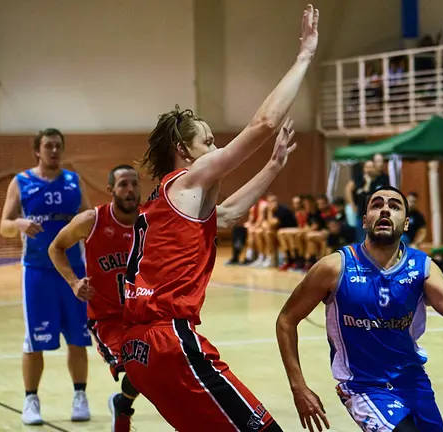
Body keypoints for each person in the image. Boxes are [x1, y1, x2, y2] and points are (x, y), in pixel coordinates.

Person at [120, 6, 319, 431]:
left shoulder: (164, 199)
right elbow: (264, 123)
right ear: (184, 149)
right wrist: (304, 55)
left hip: (138, 349)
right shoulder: (191, 178)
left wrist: (273, 168)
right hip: (169, 338)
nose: (217, 148)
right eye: (208, 142)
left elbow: (226, 216)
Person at [276, 186, 443, 432]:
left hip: (414, 382)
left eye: (394, 206)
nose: (385, 208)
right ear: (365, 220)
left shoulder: (422, 267)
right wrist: (298, 386)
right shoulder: (334, 267)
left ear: (406, 223)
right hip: (365, 388)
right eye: (376, 204)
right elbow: (286, 320)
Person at [0, 128, 93, 425]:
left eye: (57, 146)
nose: (53, 151)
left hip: (74, 271)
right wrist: (20, 224)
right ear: (37, 151)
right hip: (38, 272)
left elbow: (91, 218)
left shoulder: (73, 181)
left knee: (79, 338)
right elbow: (3, 225)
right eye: (48, 146)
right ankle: (31, 399)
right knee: (35, 341)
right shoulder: (22, 182)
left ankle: (80, 395)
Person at [48, 165, 142, 431]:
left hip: (143, 313)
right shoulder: (92, 220)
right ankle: (123, 405)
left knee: (157, 365)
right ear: (111, 190)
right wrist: (74, 282)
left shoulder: (151, 221)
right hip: (108, 317)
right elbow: (55, 248)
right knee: (135, 365)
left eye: (134, 184)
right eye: (123, 185)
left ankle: (122, 404)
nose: (130, 190)